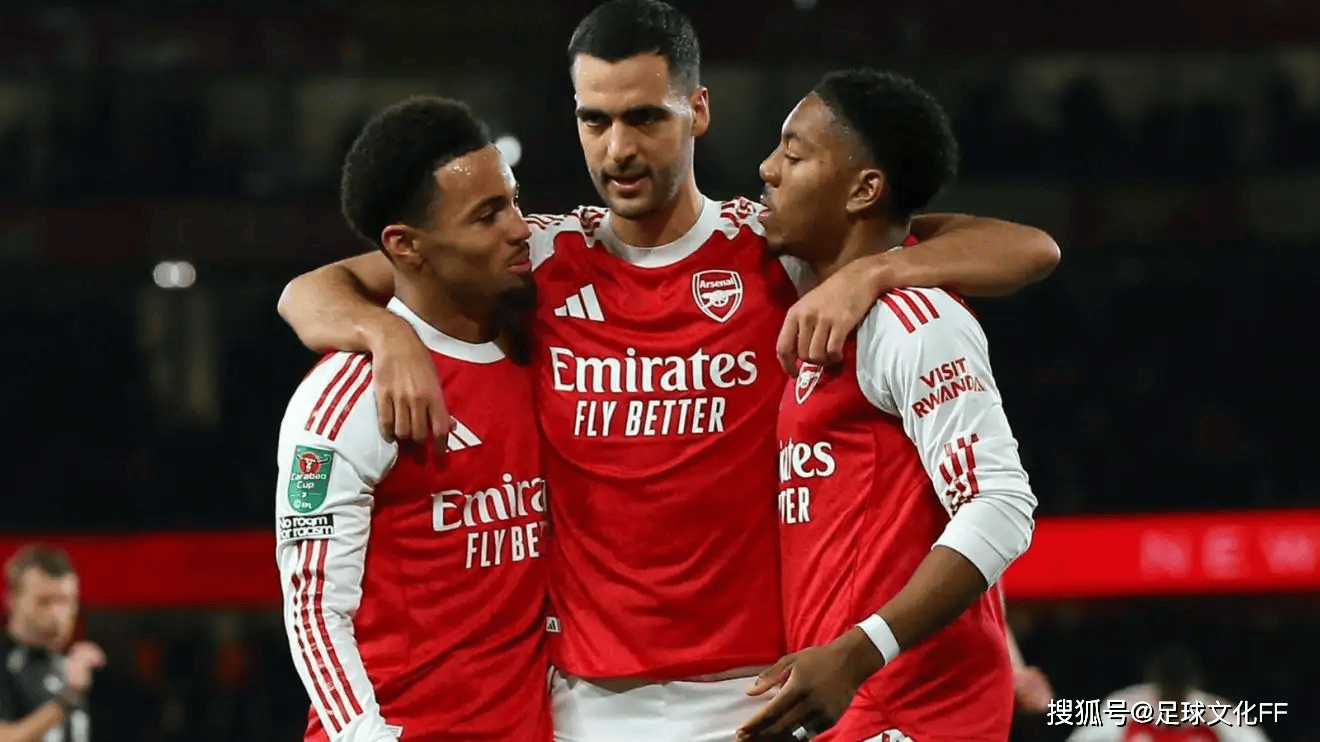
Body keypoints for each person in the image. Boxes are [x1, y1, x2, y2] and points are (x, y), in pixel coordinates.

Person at [277, 2, 1060, 738]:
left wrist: (880, 271)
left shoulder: (775, 248)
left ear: (698, 111)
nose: (618, 147)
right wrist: (383, 332)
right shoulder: (538, 255)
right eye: (595, 119)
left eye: (646, 116)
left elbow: (1027, 248)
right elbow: (313, 290)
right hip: (584, 703)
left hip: (756, 691)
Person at [739, 69, 1037, 742]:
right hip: (859, 706)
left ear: (865, 189)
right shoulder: (832, 312)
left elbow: (1000, 505)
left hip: (916, 712)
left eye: (793, 154)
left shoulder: (916, 321)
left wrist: (858, 652)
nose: (767, 168)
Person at [275, 96, 551, 742]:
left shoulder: (542, 345)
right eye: (487, 215)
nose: (520, 229)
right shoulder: (347, 396)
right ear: (406, 246)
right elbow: (314, 610)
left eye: (514, 201)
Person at [0, 545, 104, 742]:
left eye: (65, 601)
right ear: (12, 600)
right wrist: (66, 699)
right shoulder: (5, 661)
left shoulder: (73, 666)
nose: (56, 614)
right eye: (44, 602)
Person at [1066, 645, 1269, 742]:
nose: (1173, 700)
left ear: (1192, 687)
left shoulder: (1217, 712)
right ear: (1155, 684)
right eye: (1168, 692)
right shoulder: (1125, 705)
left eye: (1178, 694)